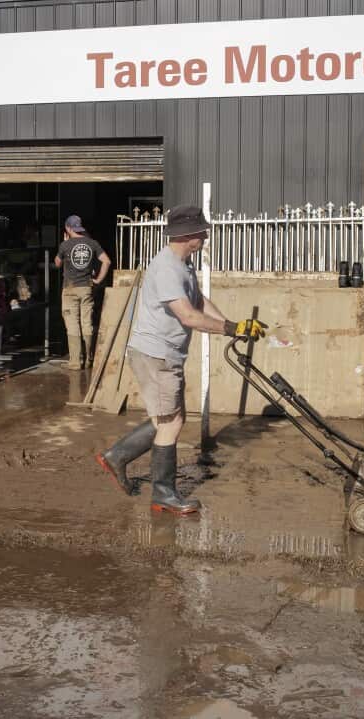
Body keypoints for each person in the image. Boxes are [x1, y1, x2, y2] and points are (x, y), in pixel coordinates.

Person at [94, 205, 267, 515]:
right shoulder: (167, 269)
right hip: (156, 354)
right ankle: (163, 494)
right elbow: (188, 316)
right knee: (170, 422)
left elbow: (198, 301)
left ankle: (117, 455)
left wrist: (233, 327)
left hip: (164, 353)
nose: (205, 235)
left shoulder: (181, 265)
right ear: (187, 235)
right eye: (201, 231)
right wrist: (230, 328)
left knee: (171, 418)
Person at [54, 215, 110, 370]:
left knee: (72, 325)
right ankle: (88, 359)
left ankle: (75, 362)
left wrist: (64, 244)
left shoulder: (65, 245)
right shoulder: (92, 243)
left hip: (70, 289)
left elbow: (57, 263)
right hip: (87, 288)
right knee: (87, 323)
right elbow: (107, 261)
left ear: (68, 228)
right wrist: (98, 280)